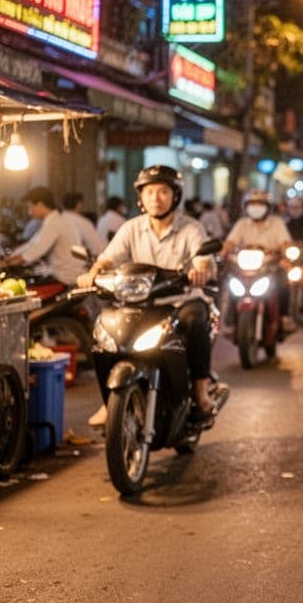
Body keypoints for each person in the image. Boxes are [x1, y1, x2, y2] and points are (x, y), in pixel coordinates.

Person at [77, 166, 219, 425]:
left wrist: (200, 270)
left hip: (180, 301)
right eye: (149, 192)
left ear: (175, 196)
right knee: (105, 329)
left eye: (163, 191)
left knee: (196, 319)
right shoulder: (131, 228)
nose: (156, 198)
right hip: (139, 302)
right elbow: (109, 258)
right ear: (140, 198)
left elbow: (203, 260)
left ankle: (200, 391)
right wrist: (94, 272)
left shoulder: (191, 228)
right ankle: (109, 402)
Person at [224, 189, 295, 334]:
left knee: (282, 280)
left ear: (268, 207)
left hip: (269, 267)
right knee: (232, 282)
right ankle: (231, 318)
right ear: (246, 206)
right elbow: (229, 243)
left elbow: (285, 243)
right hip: (245, 267)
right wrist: (223, 253)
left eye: (260, 204)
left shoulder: (277, 223)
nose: (256, 207)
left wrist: (286, 256)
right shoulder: (242, 224)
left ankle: (284, 316)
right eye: (252, 204)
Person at [1, 187, 86, 286]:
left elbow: (36, 251)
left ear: (40, 205)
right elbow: (31, 244)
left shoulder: (54, 222)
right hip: (60, 273)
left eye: (30, 207)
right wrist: (9, 259)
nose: (30, 212)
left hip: (65, 277)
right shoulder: (54, 218)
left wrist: (6, 263)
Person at [62, 192, 107, 258]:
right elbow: (97, 249)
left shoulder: (56, 220)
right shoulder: (83, 223)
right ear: (79, 204)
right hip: (77, 264)